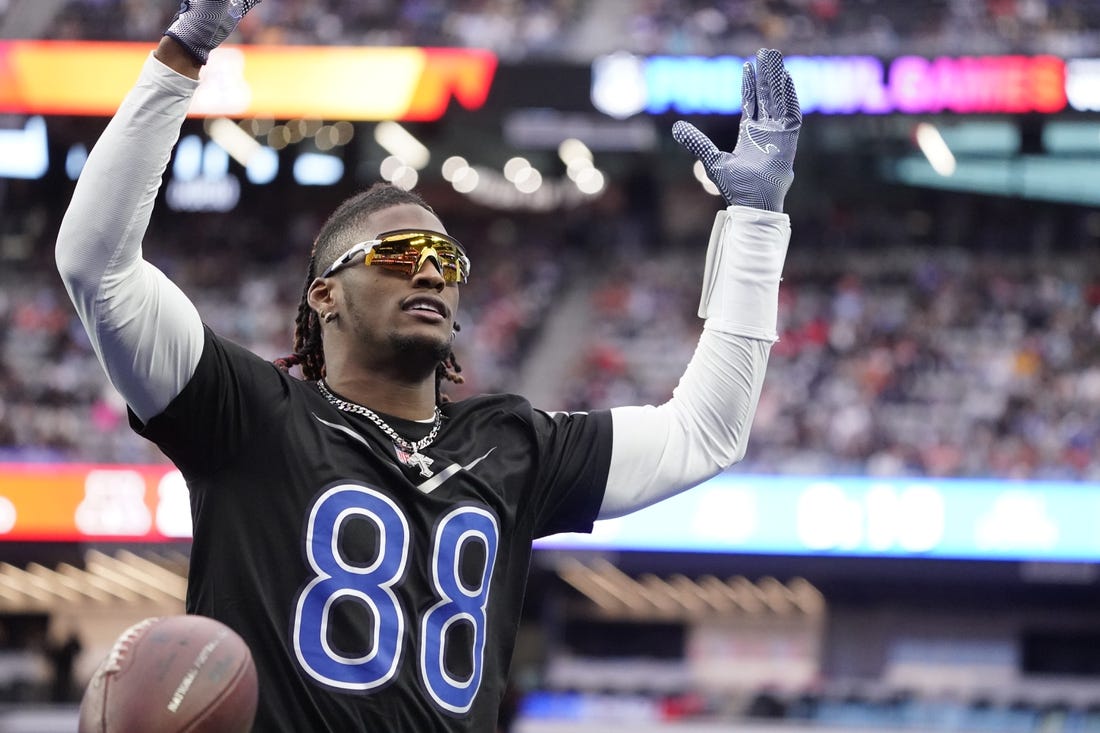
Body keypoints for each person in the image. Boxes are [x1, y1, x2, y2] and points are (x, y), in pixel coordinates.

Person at [55, 2, 801, 730]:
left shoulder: (513, 445)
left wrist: (758, 228)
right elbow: (97, 265)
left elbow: (707, 433)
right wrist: (183, 54)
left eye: (447, 258)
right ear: (325, 296)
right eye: (399, 255)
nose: (431, 272)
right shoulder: (252, 417)